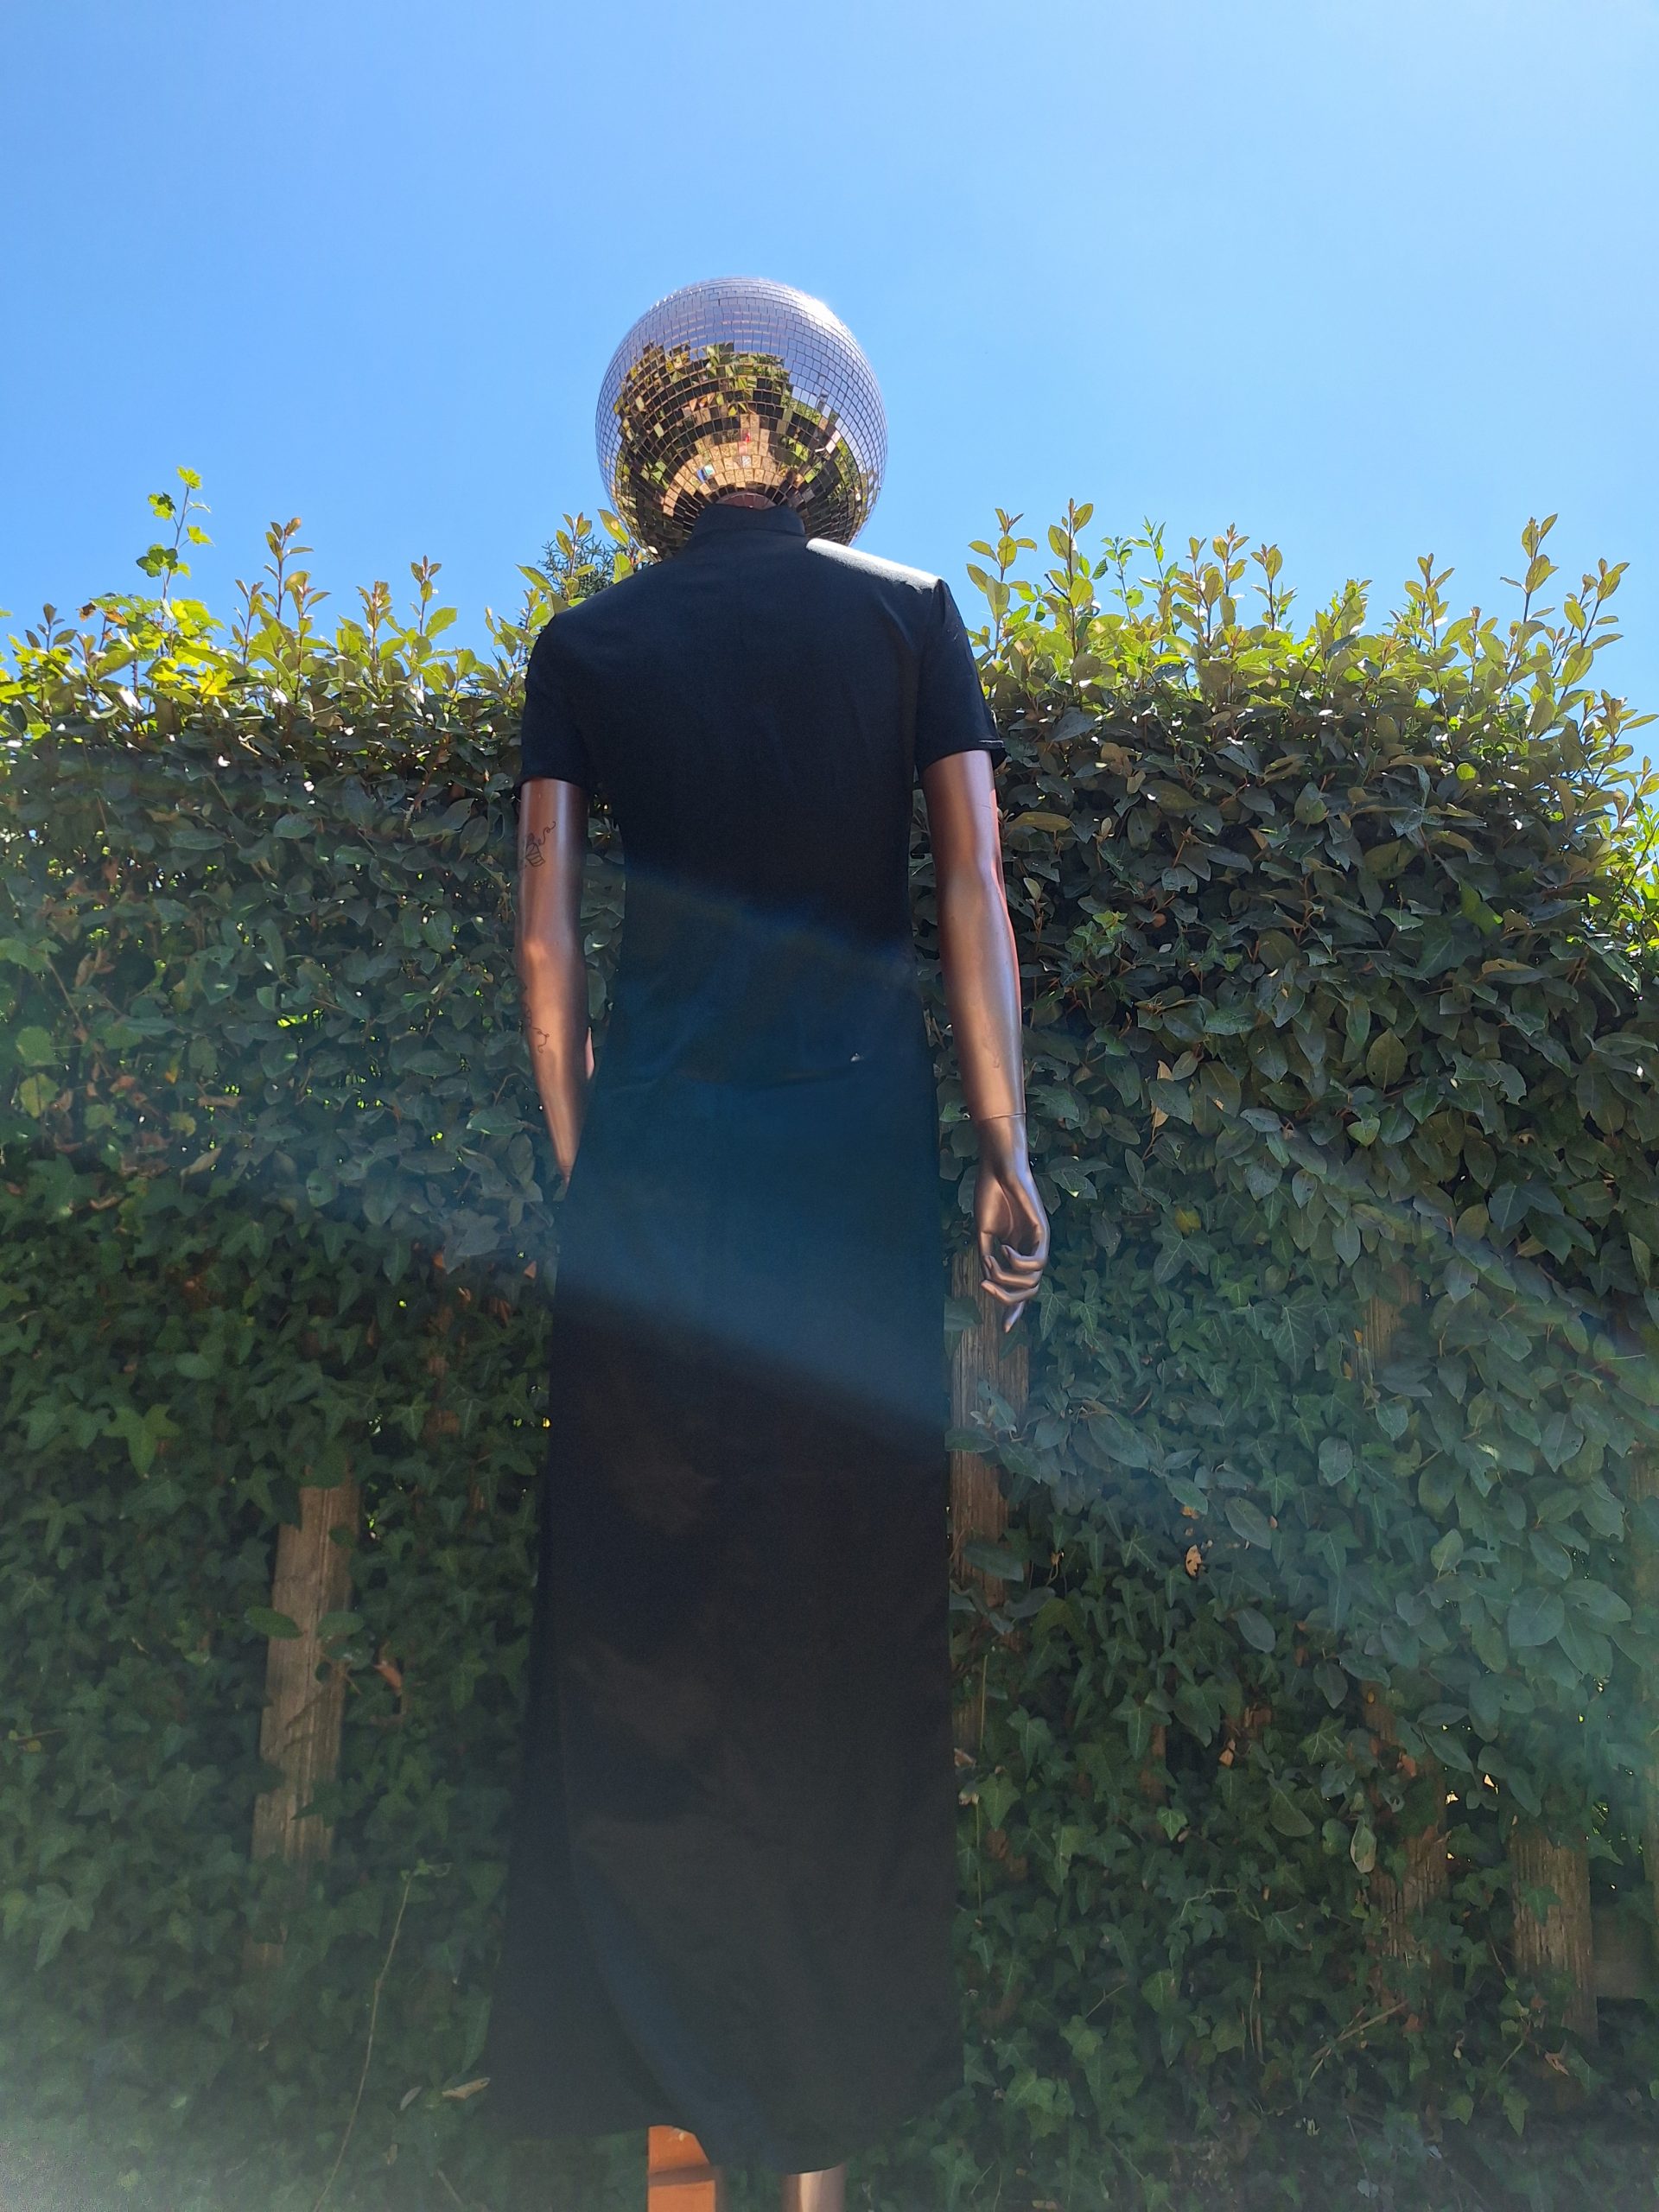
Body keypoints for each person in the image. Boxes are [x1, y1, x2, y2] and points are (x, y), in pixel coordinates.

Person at [483, 283, 1048, 2212]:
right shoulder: (910, 615)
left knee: (645, 1630)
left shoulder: (589, 641)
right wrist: (1005, 1146)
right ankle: (803, 2162)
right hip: (847, 1184)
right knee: (837, 1639)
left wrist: (590, 1158)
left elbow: (545, 928)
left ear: (653, 456)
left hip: (655, 1191)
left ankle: (680, 2146)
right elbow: (974, 879)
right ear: (824, 440)